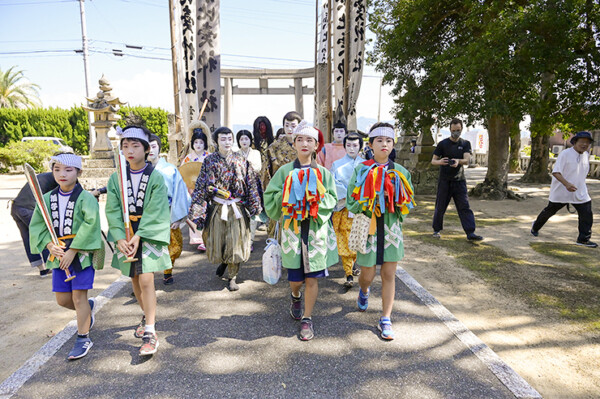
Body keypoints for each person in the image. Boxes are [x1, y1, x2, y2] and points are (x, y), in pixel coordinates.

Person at [264, 121, 338, 341]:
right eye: (300, 139)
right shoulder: (285, 172)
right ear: (294, 144)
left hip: (315, 231)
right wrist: (287, 199)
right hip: (293, 231)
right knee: (296, 279)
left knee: (312, 277)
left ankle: (307, 318)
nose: (304, 143)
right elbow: (271, 196)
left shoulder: (324, 174)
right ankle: (295, 295)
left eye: (309, 140)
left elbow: (332, 198)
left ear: (316, 146)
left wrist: (315, 202)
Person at [106, 125, 172, 356]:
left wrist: (138, 234)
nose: (130, 150)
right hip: (125, 233)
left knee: (146, 279)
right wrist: (119, 237)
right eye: (125, 146)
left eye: (135, 146)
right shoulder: (116, 178)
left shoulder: (155, 176)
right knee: (133, 278)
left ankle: (151, 331)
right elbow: (112, 210)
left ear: (146, 149)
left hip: (147, 232)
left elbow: (157, 209)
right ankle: (147, 314)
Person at [29, 153, 102, 359]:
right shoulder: (47, 198)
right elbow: (37, 225)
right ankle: (88, 310)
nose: (62, 174)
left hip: (81, 254)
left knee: (79, 297)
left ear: (79, 172)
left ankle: (83, 337)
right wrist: (49, 245)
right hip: (59, 254)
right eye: (57, 169)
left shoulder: (86, 198)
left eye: (68, 170)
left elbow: (91, 224)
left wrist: (73, 250)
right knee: (63, 300)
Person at [347, 124, 415, 340]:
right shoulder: (361, 169)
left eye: (388, 141)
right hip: (369, 228)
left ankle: (385, 318)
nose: (384, 144)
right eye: (379, 140)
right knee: (367, 275)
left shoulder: (401, 172)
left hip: (391, 228)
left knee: (388, 274)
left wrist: (396, 206)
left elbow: (408, 201)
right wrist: (368, 203)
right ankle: (364, 290)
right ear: (370, 144)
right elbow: (351, 200)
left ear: (393, 145)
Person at [189, 127, 262, 291]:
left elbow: (251, 184)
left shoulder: (241, 160)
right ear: (216, 141)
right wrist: (198, 210)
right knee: (217, 241)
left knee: (236, 242)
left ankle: (232, 276)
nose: (227, 142)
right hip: (217, 208)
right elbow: (201, 186)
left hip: (236, 208)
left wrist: (255, 206)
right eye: (223, 139)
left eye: (230, 138)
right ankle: (224, 261)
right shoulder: (209, 161)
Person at [531, 131, 597, 248]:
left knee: (586, 214)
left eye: (587, 143)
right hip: (561, 190)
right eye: (582, 142)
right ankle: (535, 226)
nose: (584, 145)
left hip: (579, 191)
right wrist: (566, 184)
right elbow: (556, 172)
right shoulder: (565, 154)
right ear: (575, 142)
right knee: (550, 211)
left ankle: (583, 239)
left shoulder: (586, 155)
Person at [148, 134, 191, 285]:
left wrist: (178, 218)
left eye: (154, 146)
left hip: (166, 211)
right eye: (148, 147)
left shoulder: (169, 169)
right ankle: (146, 277)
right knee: (147, 246)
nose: (151, 150)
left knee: (173, 245)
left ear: (159, 148)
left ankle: (168, 270)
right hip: (146, 214)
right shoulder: (139, 170)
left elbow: (181, 192)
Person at [431, 118, 483, 241]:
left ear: (461, 129)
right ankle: (436, 229)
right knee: (440, 206)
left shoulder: (465, 144)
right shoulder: (442, 144)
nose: (456, 133)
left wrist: (458, 161)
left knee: (464, 206)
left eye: (458, 130)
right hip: (444, 180)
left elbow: (467, 159)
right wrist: (441, 162)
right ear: (450, 129)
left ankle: (470, 232)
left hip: (459, 180)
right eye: (453, 130)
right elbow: (433, 161)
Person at [331, 133, 365, 288]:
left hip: (361, 208)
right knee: (345, 237)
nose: (352, 148)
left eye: (355, 145)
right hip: (343, 207)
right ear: (344, 146)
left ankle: (354, 264)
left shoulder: (366, 165)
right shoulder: (336, 165)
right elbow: (334, 185)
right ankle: (348, 273)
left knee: (359, 237)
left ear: (360, 146)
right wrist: (349, 195)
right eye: (349, 145)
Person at [11, 172, 57, 276]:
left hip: (16, 207)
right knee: (44, 234)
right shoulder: (60, 179)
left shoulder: (46, 176)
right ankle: (51, 266)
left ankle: (42, 269)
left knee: (28, 238)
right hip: (29, 209)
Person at [265, 111, 302, 237]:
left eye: (293, 126)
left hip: (302, 195)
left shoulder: (306, 146)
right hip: (280, 194)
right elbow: (267, 174)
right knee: (279, 234)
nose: (290, 129)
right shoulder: (273, 148)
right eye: (287, 126)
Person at [181, 124, 210, 251]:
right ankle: (199, 239)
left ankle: (207, 239)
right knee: (194, 214)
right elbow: (183, 173)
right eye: (196, 142)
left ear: (205, 144)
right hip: (191, 190)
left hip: (207, 190)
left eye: (201, 142)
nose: (198, 145)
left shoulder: (209, 157)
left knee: (207, 215)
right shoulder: (187, 158)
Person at [237, 129, 263, 251]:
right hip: (240, 188)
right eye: (241, 139)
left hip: (253, 187)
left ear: (250, 140)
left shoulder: (256, 153)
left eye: (246, 138)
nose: (244, 141)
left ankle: (250, 240)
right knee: (240, 215)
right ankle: (241, 240)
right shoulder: (235, 153)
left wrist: (244, 165)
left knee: (253, 214)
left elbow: (258, 167)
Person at [252, 116, 274, 190]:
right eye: (260, 125)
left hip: (271, 171)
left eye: (264, 125)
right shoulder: (252, 143)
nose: (262, 127)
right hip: (257, 173)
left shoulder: (274, 142)